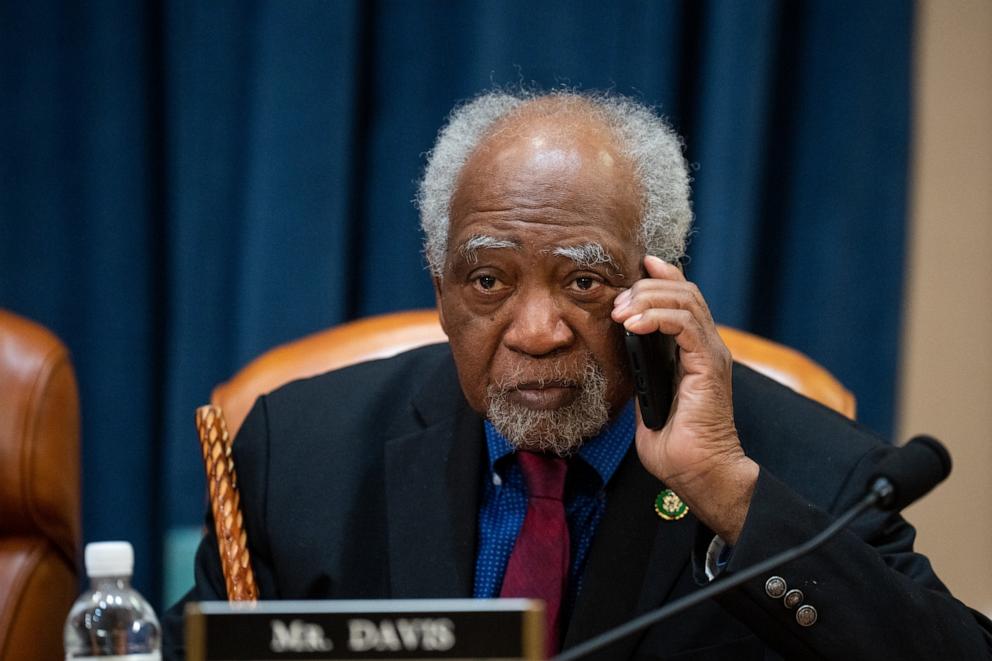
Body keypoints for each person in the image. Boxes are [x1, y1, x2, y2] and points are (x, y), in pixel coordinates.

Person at [164, 90, 992, 659]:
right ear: (441, 290)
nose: (535, 331)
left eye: (584, 282)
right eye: (487, 280)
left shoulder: (809, 470)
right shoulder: (298, 454)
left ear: (658, 288)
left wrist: (730, 494)